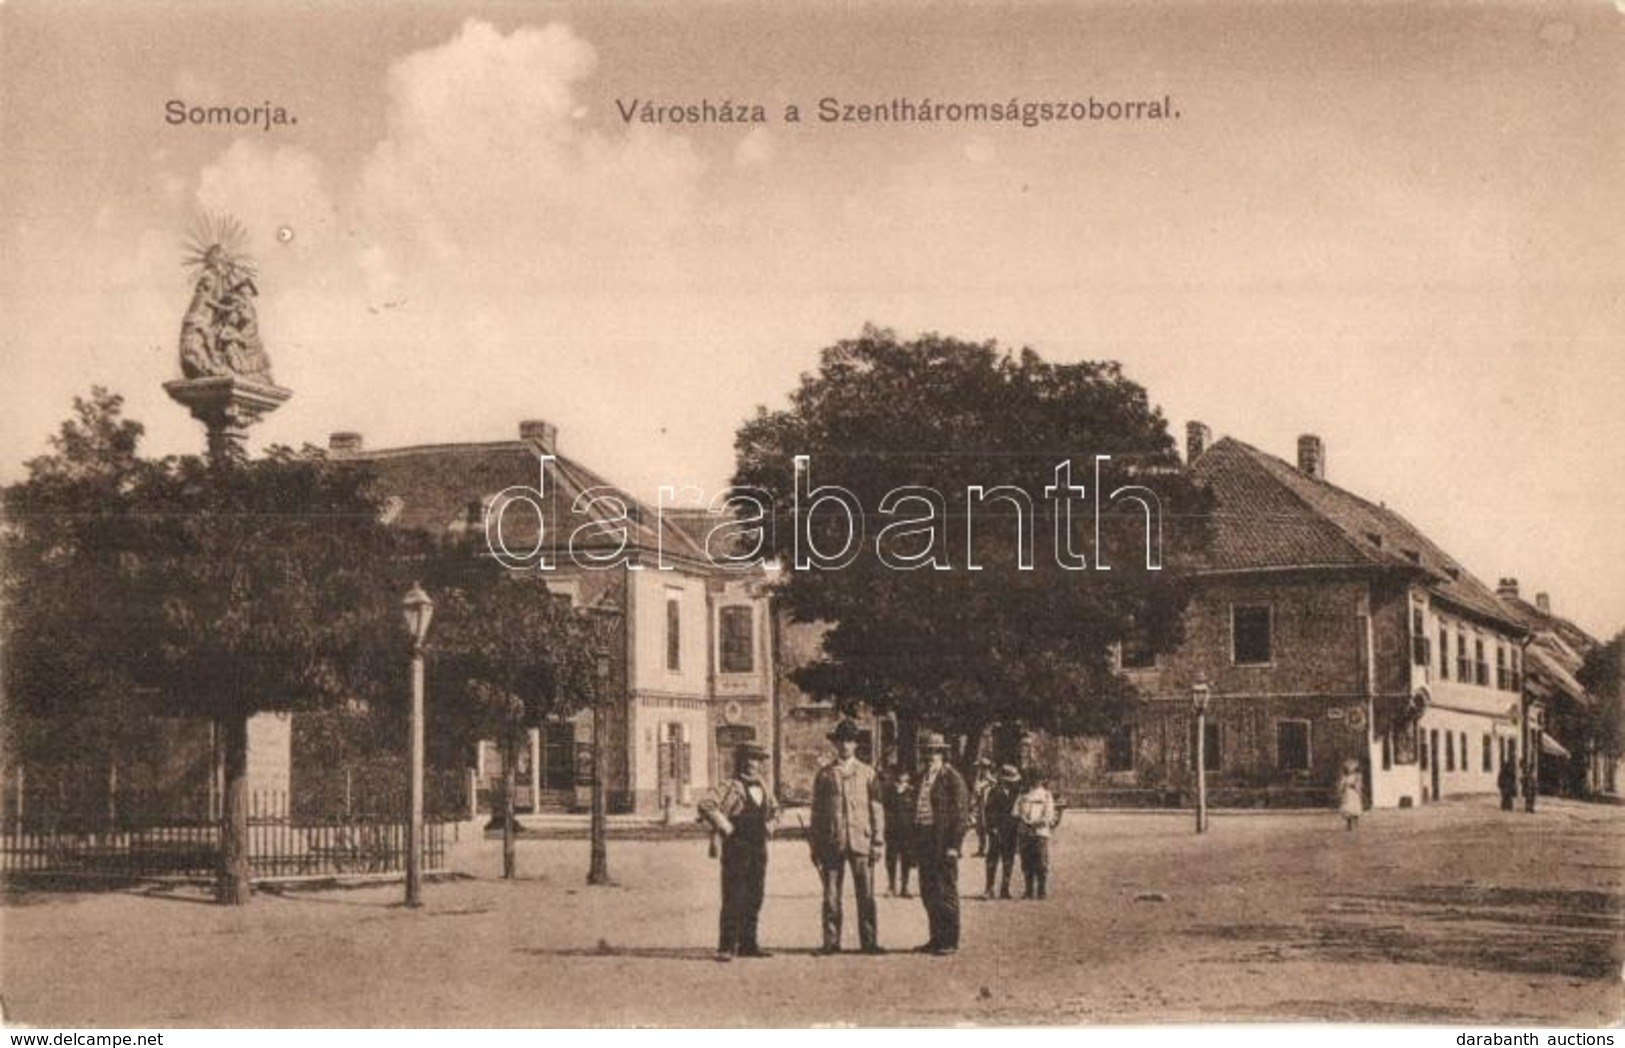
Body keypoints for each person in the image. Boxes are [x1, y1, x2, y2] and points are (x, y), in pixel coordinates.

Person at [809, 718, 885, 954]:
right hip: (833, 842)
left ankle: (869, 942)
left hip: (861, 841)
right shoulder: (824, 775)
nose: (845, 746)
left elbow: (877, 808)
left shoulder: (868, 773)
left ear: (855, 745)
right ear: (836, 745)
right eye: (841, 741)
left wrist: (878, 840)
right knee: (831, 896)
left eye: (849, 741)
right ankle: (831, 943)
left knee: (867, 895)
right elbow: (817, 813)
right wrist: (815, 846)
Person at [698, 742, 779, 962]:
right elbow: (706, 804)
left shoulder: (764, 785)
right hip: (737, 847)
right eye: (749, 759)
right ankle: (726, 946)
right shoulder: (730, 785)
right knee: (734, 895)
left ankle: (748, 944)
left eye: (757, 760)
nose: (753, 764)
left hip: (758, 846)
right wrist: (725, 825)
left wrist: (771, 824)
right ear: (741, 761)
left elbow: (775, 809)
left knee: (755, 895)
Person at [912, 732, 970, 954]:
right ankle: (935, 938)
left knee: (946, 890)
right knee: (928, 891)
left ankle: (949, 940)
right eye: (926, 752)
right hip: (924, 840)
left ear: (942, 754)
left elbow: (961, 814)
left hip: (943, 842)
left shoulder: (952, 778)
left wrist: (954, 845)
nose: (930, 757)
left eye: (934, 752)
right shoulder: (921, 778)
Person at [1015, 770, 1058, 898]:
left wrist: (1038, 822)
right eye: (1031, 778)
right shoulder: (1023, 795)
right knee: (1026, 861)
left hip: (1040, 833)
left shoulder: (1046, 795)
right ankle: (1028, 890)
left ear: (1040, 780)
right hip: (1025, 832)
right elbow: (1015, 811)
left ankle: (1041, 890)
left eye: (1036, 779)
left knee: (1041, 861)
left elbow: (1049, 814)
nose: (1033, 782)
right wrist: (1023, 819)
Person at [982, 764, 1022, 900]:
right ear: (1003, 780)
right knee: (992, 859)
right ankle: (989, 888)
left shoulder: (1016, 792)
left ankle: (1005, 889)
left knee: (1008, 859)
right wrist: (992, 828)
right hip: (996, 830)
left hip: (1011, 830)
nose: (1012, 783)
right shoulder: (995, 791)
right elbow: (988, 812)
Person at [882, 766, 917, 897]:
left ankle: (905, 887)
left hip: (908, 832)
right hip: (892, 831)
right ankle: (891, 886)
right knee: (891, 858)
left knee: (906, 859)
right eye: (901, 775)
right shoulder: (889, 790)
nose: (903, 778)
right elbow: (885, 809)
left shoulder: (912, 792)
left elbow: (915, 812)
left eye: (906, 775)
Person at [970, 758, 994, 856]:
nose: (979, 770)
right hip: (981, 806)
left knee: (987, 828)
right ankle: (982, 848)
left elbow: (979, 790)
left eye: (981, 768)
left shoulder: (989, 781)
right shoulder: (980, 780)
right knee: (980, 828)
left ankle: (987, 849)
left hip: (988, 807)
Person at [1337, 759, 1363, 831]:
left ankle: (1356, 822)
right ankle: (1349, 824)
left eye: (1351, 769)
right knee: (1347, 809)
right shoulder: (1345, 777)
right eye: (1348, 769)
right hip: (1347, 793)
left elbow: (1358, 785)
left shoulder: (1356, 776)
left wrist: (1357, 789)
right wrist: (1341, 790)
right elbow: (1342, 784)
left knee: (1354, 807)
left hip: (1353, 792)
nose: (1350, 770)